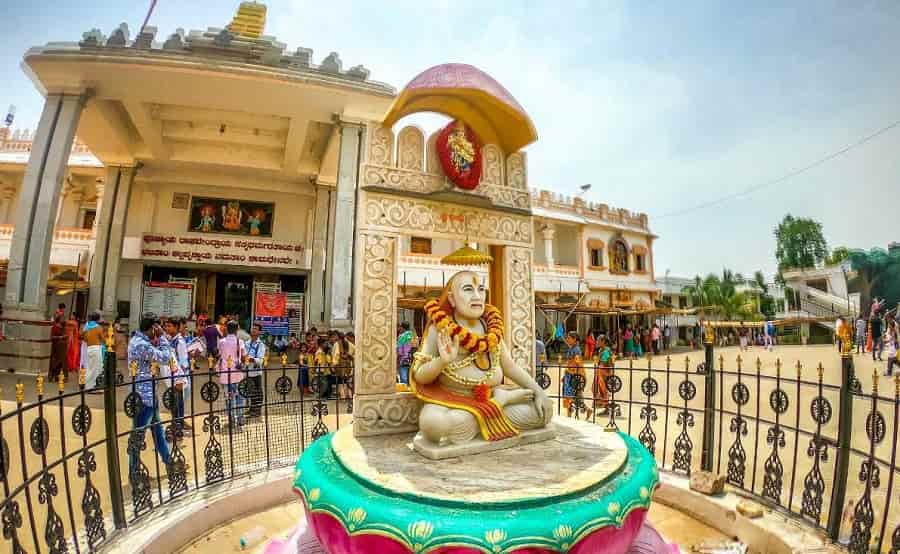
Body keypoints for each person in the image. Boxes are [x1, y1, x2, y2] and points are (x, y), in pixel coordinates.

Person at [127, 317, 175, 478]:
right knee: (138, 436)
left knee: (158, 430)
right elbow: (166, 358)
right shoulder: (141, 344)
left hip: (148, 394)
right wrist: (162, 337)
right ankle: (134, 471)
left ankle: (169, 462)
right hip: (143, 397)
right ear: (152, 328)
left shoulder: (138, 340)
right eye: (157, 327)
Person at [217, 320, 246, 430]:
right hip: (237, 374)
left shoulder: (222, 341)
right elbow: (243, 356)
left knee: (229, 398)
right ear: (237, 329)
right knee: (239, 397)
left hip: (226, 374)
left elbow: (219, 354)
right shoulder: (240, 341)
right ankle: (240, 418)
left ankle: (231, 419)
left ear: (226, 329)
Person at [168, 317, 192, 434]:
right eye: (167, 326)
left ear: (176, 327)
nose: (168, 328)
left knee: (179, 400)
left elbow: (182, 362)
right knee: (176, 400)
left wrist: (181, 377)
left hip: (179, 375)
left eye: (170, 326)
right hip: (174, 374)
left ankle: (179, 424)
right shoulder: (172, 340)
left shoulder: (180, 342)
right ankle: (177, 422)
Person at [245, 324, 267, 418]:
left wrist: (251, 359)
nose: (253, 330)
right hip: (247, 371)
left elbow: (260, 360)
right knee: (250, 391)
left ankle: (257, 411)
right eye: (253, 328)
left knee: (257, 392)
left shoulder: (261, 345)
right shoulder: (247, 343)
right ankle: (251, 409)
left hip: (256, 372)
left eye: (256, 329)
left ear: (259, 332)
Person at [562, 332, 586, 417]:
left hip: (573, 375)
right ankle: (570, 414)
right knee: (574, 396)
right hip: (569, 374)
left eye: (569, 338)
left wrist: (577, 375)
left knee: (571, 395)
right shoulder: (571, 348)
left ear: (574, 339)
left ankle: (569, 416)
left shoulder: (576, 350)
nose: (567, 340)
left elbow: (578, 364)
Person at [81, 312, 105, 390]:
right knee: (97, 368)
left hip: (89, 348)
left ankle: (88, 386)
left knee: (89, 368)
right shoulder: (98, 327)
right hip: (96, 349)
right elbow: (103, 339)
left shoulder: (86, 327)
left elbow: (83, 338)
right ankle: (95, 386)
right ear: (97, 319)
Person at [593, 337, 613, 416]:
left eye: (598, 341)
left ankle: (606, 407)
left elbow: (604, 363)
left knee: (603, 389)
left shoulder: (606, 351)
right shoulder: (601, 350)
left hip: (605, 372)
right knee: (598, 388)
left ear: (603, 341)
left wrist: (598, 361)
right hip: (600, 371)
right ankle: (604, 406)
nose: (597, 342)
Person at [49, 314, 68, 384]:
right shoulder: (54, 327)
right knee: (55, 362)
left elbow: (66, 335)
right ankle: (52, 375)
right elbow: (52, 337)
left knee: (63, 362)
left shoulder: (64, 327)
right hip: (56, 347)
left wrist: (65, 337)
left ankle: (61, 376)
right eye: (63, 318)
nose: (64, 320)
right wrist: (60, 337)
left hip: (63, 347)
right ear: (59, 319)